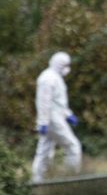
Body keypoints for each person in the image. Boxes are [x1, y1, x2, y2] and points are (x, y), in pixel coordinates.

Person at [31, 51, 82, 183]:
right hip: (52, 120)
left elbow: (58, 102)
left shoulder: (55, 77)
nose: (67, 68)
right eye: (65, 65)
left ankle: (39, 180)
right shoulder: (48, 78)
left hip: (53, 118)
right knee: (73, 146)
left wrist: (68, 114)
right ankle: (72, 177)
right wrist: (43, 121)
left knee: (44, 151)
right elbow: (44, 102)